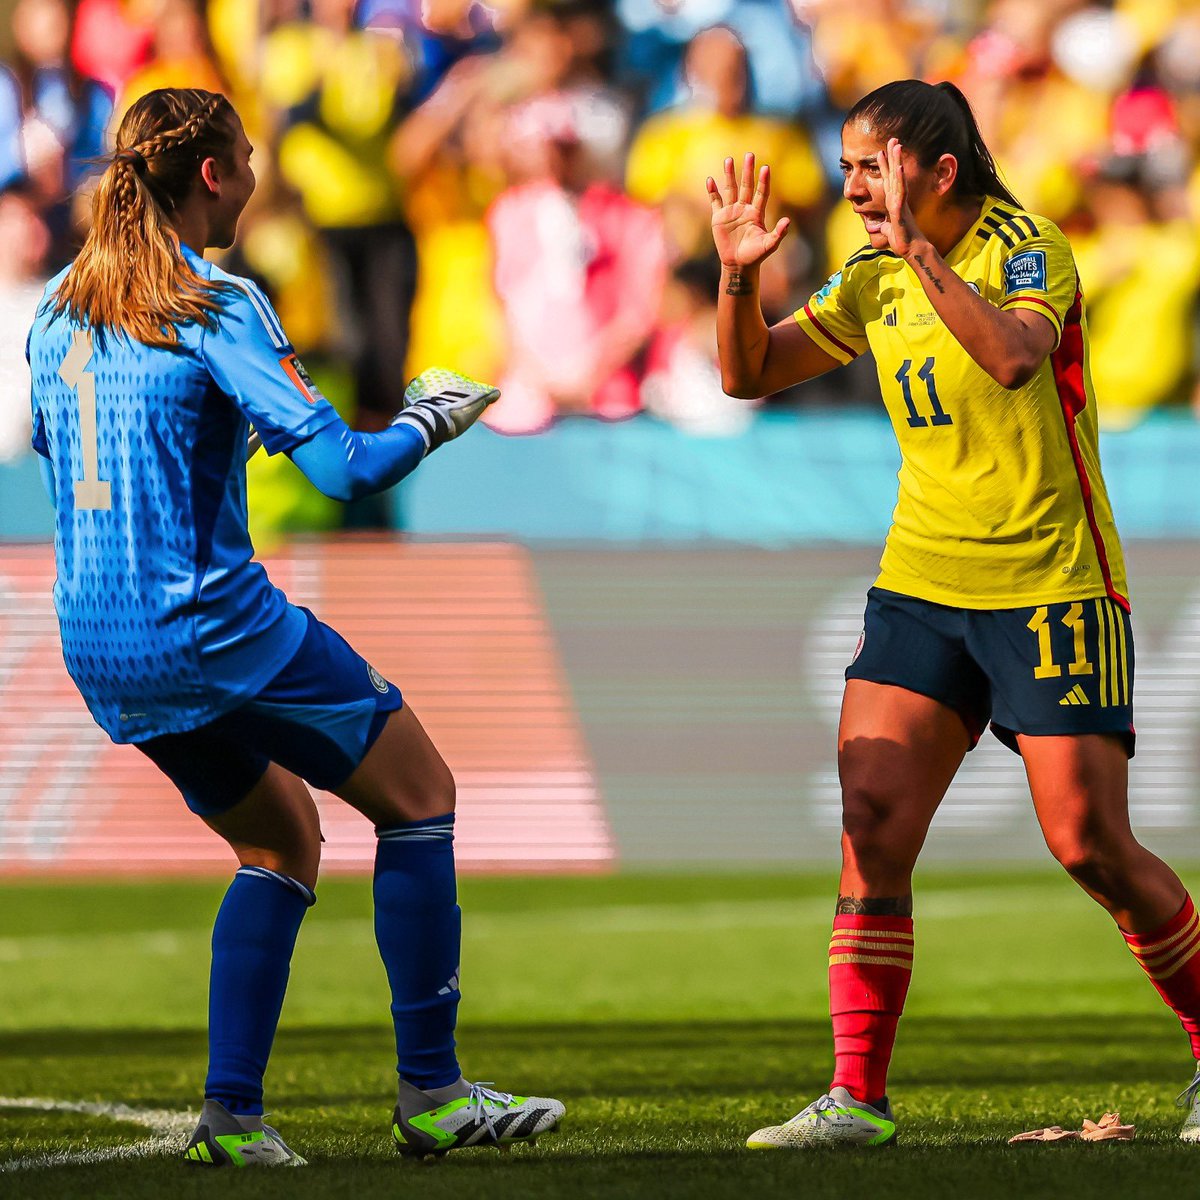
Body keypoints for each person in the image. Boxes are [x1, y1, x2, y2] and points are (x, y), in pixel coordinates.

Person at [26, 86, 564, 1168]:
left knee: (281, 841)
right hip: (210, 620)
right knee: (420, 798)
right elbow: (346, 471)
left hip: (94, 635)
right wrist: (429, 417)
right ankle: (435, 1094)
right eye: (249, 160)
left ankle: (233, 1119)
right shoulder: (215, 301)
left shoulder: (56, 308)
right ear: (214, 177)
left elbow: (58, 452)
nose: (258, 179)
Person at [708, 78, 1200, 1148]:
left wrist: (921, 256)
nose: (854, 190)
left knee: (1091, 844)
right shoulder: (869, 277)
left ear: (939, 172)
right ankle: (857, 1098)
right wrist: (737, 281)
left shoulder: (1031, 247)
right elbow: (751, 374)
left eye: (872, 168)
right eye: (845, 169)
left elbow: (1016, 357)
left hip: (1051, 583)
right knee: (870, 826)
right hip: (924, 586)